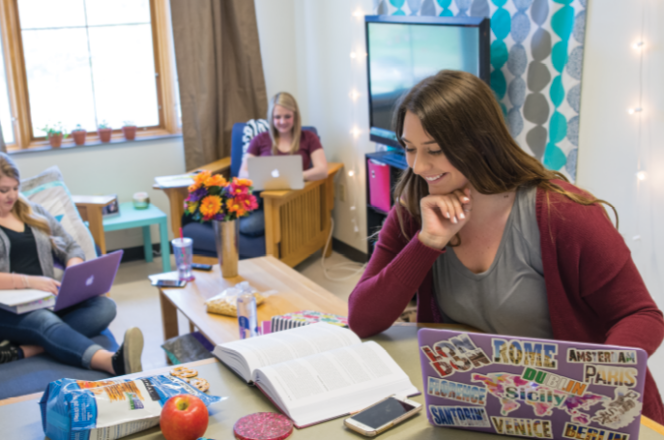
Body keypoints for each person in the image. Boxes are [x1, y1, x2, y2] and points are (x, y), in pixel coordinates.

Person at [347, 70, 664, 423]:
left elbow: (641, 315)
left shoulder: (564, 213)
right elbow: (361, 319)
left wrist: (594, 387)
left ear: (479, 143)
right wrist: (427, 243)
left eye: (434, 150)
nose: (419, 166)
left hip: (584, 411)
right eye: (409, 148)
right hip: (484, 408)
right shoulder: (413, 211)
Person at [0, 152, 143, 375]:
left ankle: (25, 350)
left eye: (15, 188)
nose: (12, 196)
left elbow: (71, 247)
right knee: (43, 320)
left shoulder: (32, 211)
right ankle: (110, 362)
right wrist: (27, 281)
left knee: (104, 307)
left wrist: (74, 269)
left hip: (44, 299)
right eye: (3, 190)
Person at [237, 92, 328, 235]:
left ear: (295, 116)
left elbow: (322, 170)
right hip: (259, 198)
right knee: (226, 206)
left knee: (249, 226)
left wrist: (295, 176)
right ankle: (219, 216)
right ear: (271, 118)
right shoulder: (260, 139)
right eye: (277, 117)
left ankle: (223, 221)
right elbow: (242, 172)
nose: (282, 121)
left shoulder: (309, 138)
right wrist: (261, 176)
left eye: (287, 116)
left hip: (289, 201)